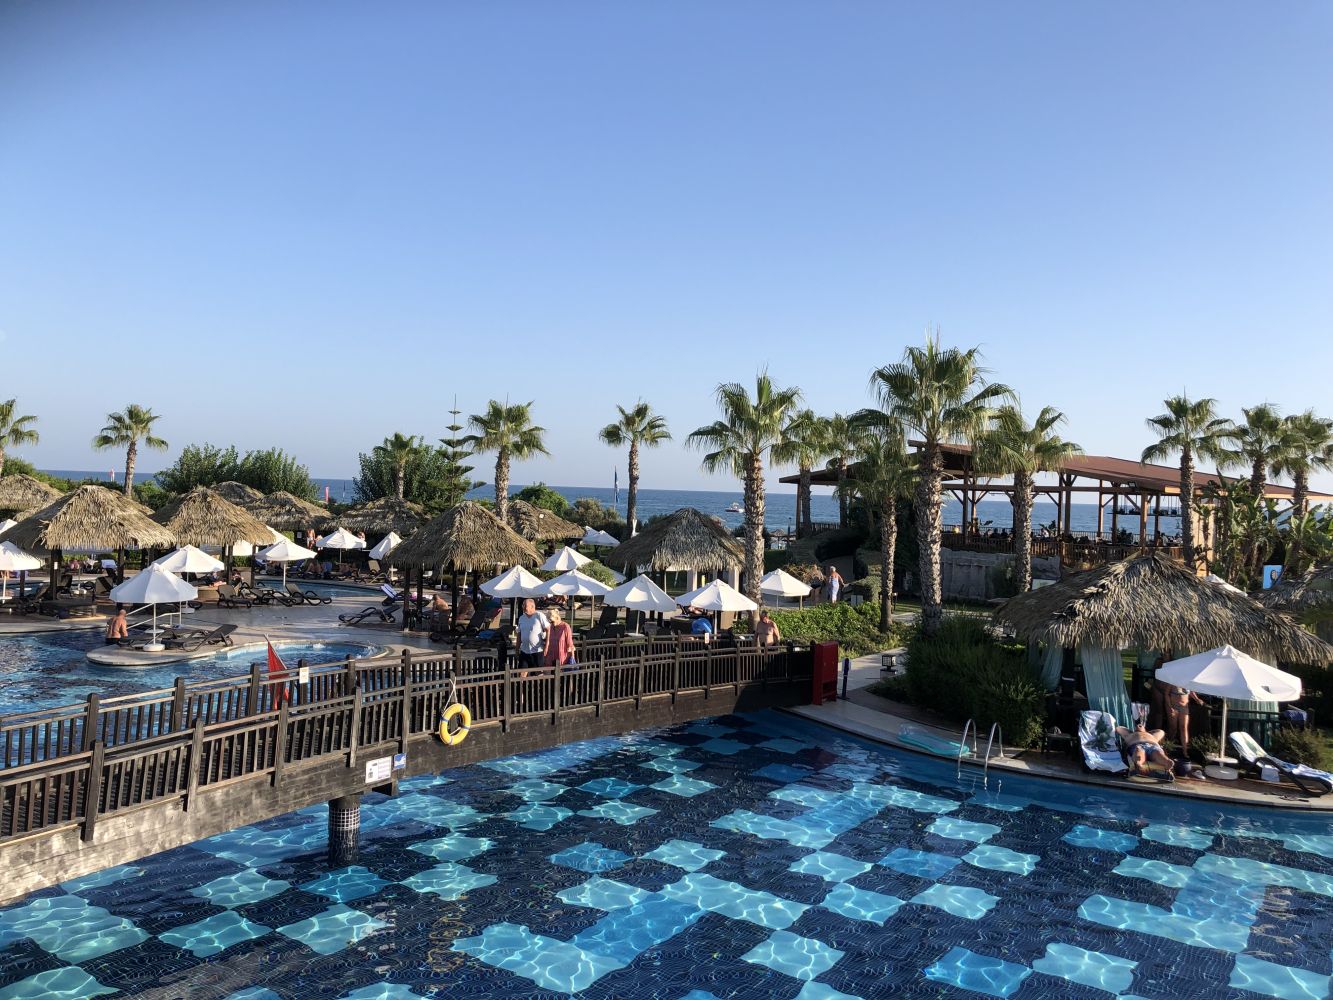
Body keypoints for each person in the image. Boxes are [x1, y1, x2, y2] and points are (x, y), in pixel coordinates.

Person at [1164, 682, 1205, 748]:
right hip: (1173, 706)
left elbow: (1191, 691)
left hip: (1184, 707)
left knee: (1183, 728)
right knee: (1173, 728)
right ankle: (1168, 746)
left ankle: (1185, 750)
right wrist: (1170, 707)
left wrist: (1196, 699)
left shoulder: (1188, 680)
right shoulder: (1173, 680)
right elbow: (1166, 694)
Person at [517, 598, 550, 671]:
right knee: (522, 673)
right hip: (524, 650)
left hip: (537, 651)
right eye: (523, 605)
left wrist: (547, 646)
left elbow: (548, 629)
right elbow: (519, 634)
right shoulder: (521, 618)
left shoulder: (539, 615)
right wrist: (517, 649)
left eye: (525, 605)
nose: (523, 607)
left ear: (532, 606)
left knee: (538, 673)